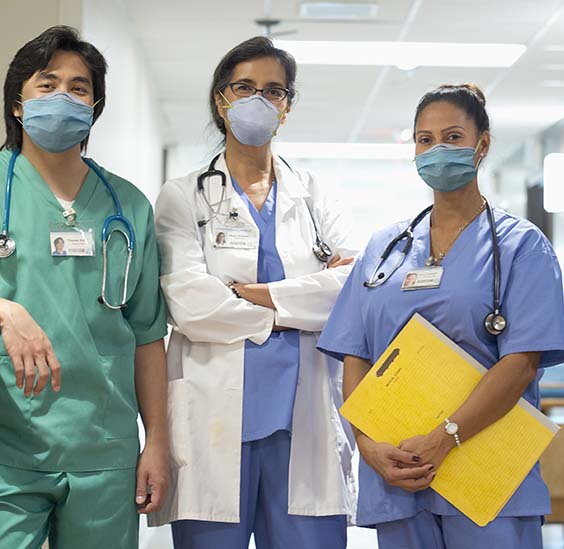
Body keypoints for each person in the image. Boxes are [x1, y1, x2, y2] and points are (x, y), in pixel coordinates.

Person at [0, 26, 169, 548]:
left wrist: (155, 440)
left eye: (79, 87)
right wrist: (5, 311)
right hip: (6, 450)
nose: (63, 97)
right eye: (47, 85)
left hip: (104, 452)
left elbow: (147, 335)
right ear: (17, 104)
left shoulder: (128, 206)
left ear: (94, 108)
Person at [318, 83, 564, 549]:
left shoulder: (521, 247)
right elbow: (355, 353)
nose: (437, 150)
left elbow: (520, 365)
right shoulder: (383, 249)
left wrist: (446, 436)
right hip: (398, 471)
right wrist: (367, 445)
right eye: (425, 140)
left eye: (453, 137)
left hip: (485, 470)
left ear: (482, 145)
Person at [149, 36, 358, 549]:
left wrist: (253, 293)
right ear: (221, 99)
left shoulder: (316, 194)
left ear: (287, 107)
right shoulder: (184, 196)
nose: (259, 100)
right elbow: (192, 306)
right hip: (214, 423)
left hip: (302, 420)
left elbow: (349, 291)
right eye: (244, 87)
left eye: (274, 91)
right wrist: (297, 308)